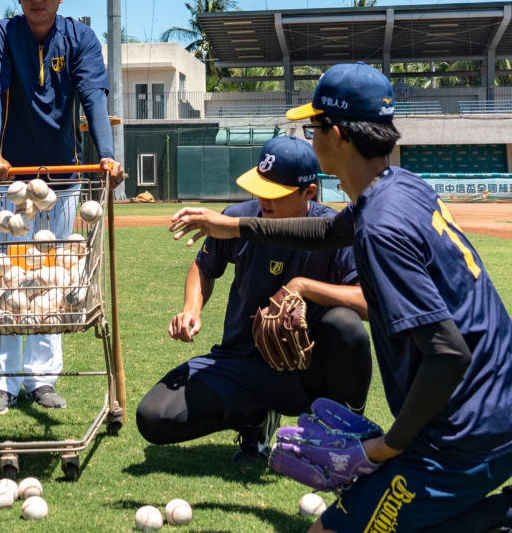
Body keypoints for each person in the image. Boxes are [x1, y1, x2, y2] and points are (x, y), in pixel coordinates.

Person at [171, 62, 512, 533]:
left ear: (335, 135)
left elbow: (447, 353)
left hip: (471, 428)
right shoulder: (402, 187)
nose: (310, 137)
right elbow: (331, 230)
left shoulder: (381, 228)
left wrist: (387, 447)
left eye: (312, 127)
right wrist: (234, 225)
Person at [136, 136, 370, 463]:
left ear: (309, 193)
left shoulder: (334, 230)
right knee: (154, 416)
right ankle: (255, 419)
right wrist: (192, 309)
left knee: (346, 325)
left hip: (305, 370)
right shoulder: (238, 218)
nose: (263, 201)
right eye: (260, 189)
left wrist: (305, 287)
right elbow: (204, 267)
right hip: (242, 361)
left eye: (275, 194)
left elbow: (369, 303)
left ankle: (346, 433)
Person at [0, 0, 123, 416]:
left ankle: (40, 379)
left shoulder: (79, 37)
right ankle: (3, 382)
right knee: (6, 279)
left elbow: (93, 95)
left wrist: (107, 154)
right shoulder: (1, 34)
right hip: (10, 178)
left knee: (51, 280)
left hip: (64, 177)